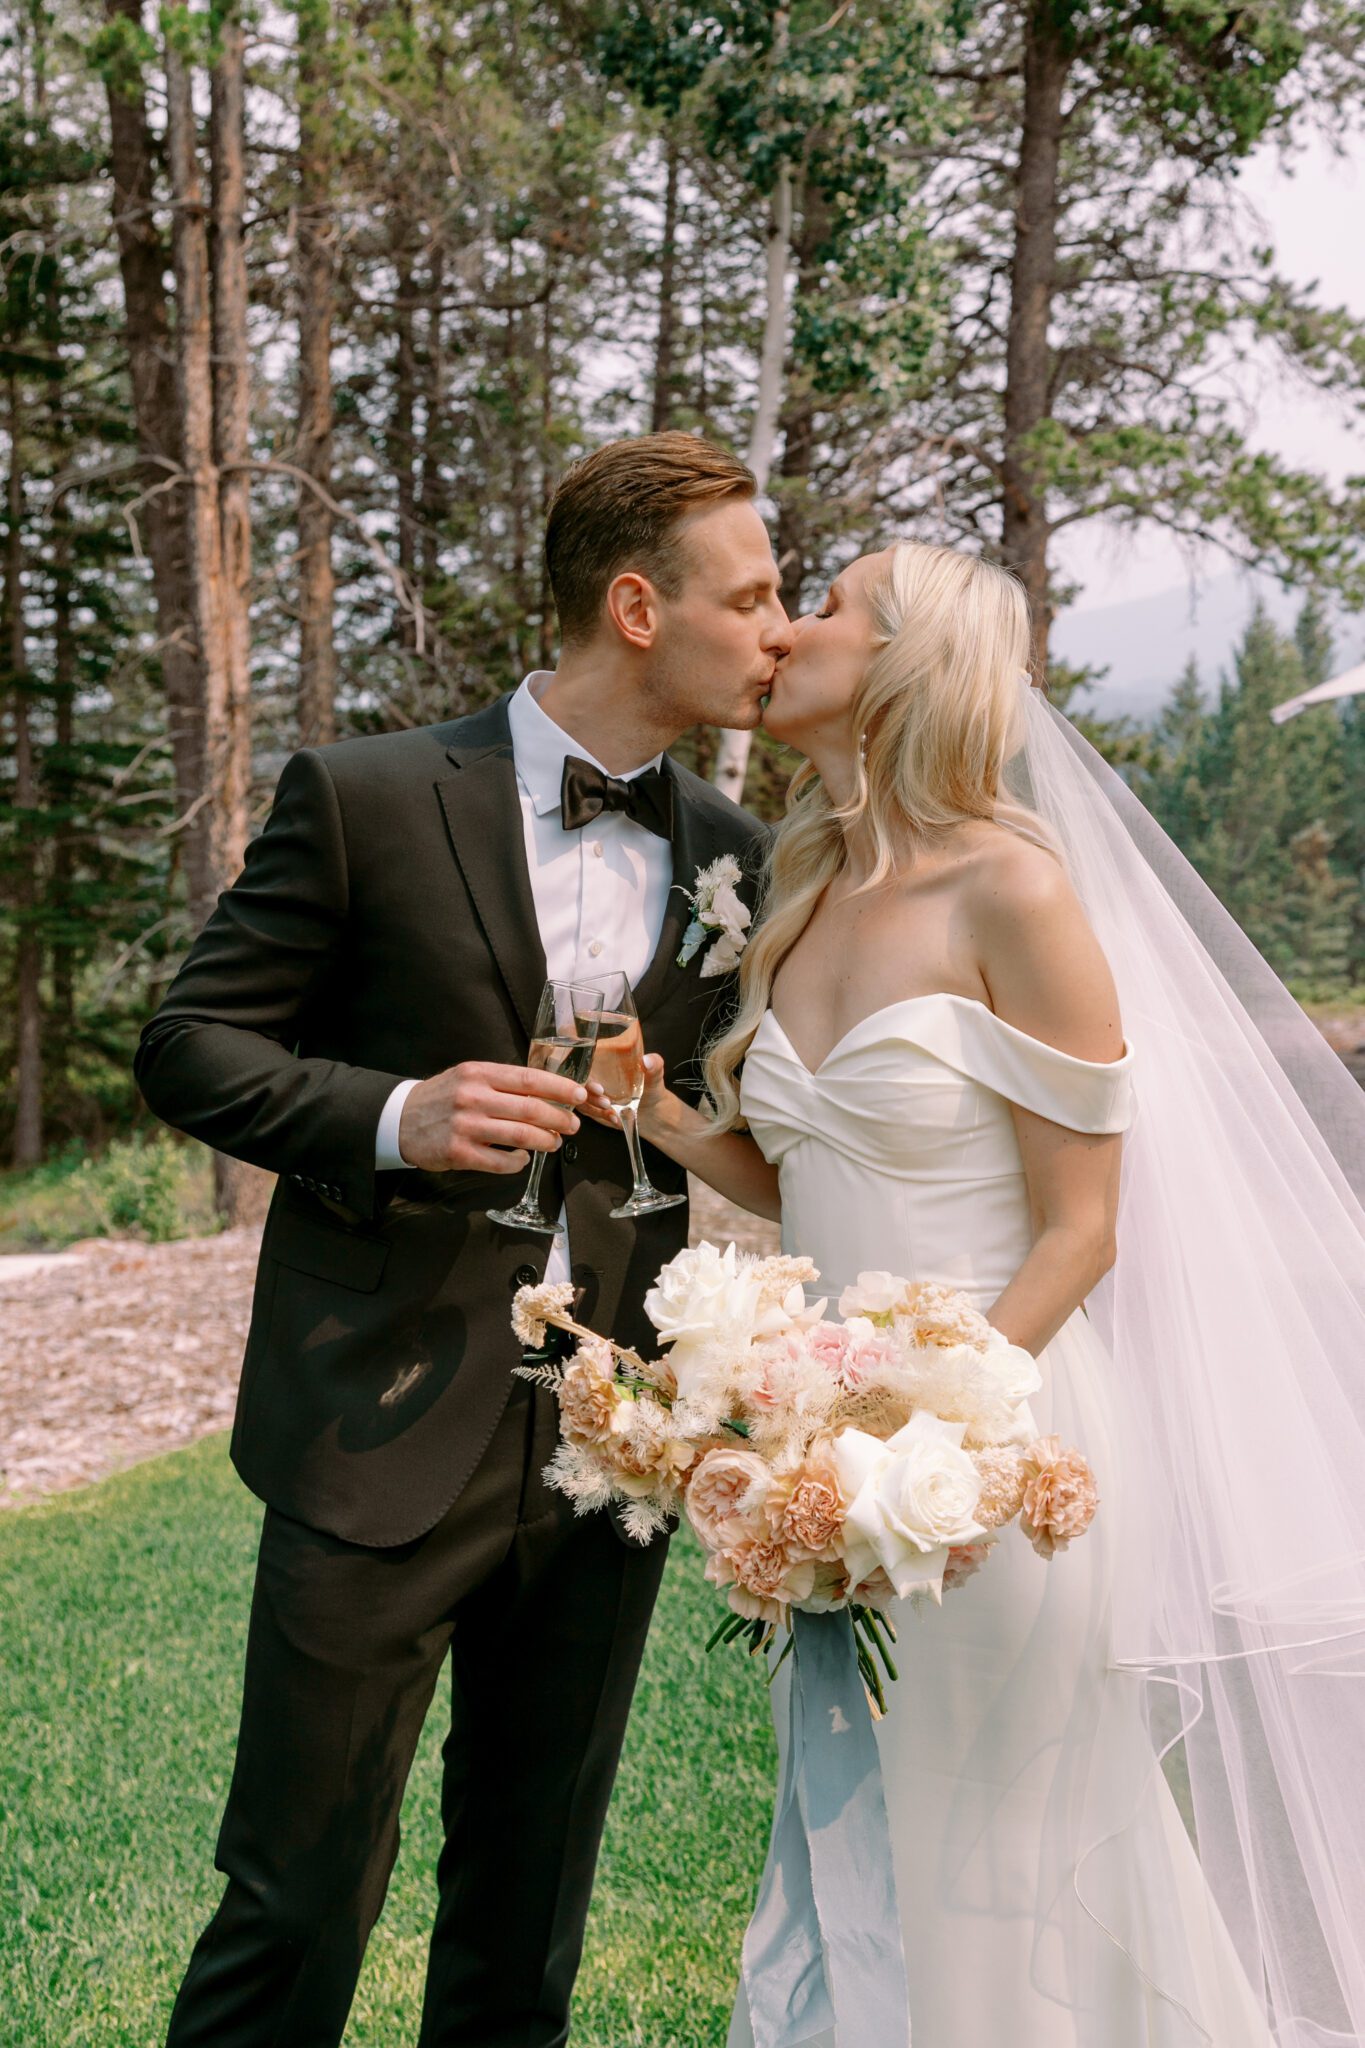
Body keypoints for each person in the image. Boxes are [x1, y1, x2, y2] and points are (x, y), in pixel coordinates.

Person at [626, 539, 1365, 2045]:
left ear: (906, 664)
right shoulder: (807, 884)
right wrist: (648, 1109)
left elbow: (1080, 1230)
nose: (783, 633)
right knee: (858, 1828)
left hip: (1001, 1455)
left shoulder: (1015, 891)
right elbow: (798, 1173)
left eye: (823, 607)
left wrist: (920, 1438)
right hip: (822, 1454)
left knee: (1004, 1855)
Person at [133, 430, 786, 2048]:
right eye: (753, 595)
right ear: (637, 608)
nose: (776, 629)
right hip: (374, 1421)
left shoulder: (735, 859)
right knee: (294, 1899)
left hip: (606, 1450)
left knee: (527, 1909)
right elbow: (191, 1043)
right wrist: (393, 1115)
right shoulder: (360, 799)